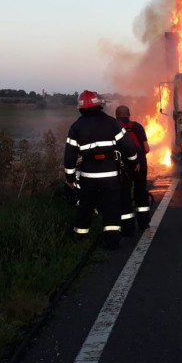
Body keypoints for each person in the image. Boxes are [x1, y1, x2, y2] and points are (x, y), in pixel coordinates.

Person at [64, 90, 138, 249]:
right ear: (99, 105)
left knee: (85, 207)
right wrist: (132, 164)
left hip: (88, 177)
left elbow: (69, 157)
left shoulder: (76, 127)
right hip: (110, 177)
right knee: (111, 208)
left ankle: (79, 240)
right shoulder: (112, 123)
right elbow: (129, 148)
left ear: (80, 108)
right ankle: (112, 242)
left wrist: (70, 178)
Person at [115, 105, 151, 231]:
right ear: (129, 114)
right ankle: (144, 223)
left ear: (116, 115)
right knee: (141, 191)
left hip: (123, 166)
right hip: (140, 165)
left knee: (124, 193)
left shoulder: (114, 127)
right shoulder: (137, 126)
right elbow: (146, 148)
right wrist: (139, 158)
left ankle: (127, 228)